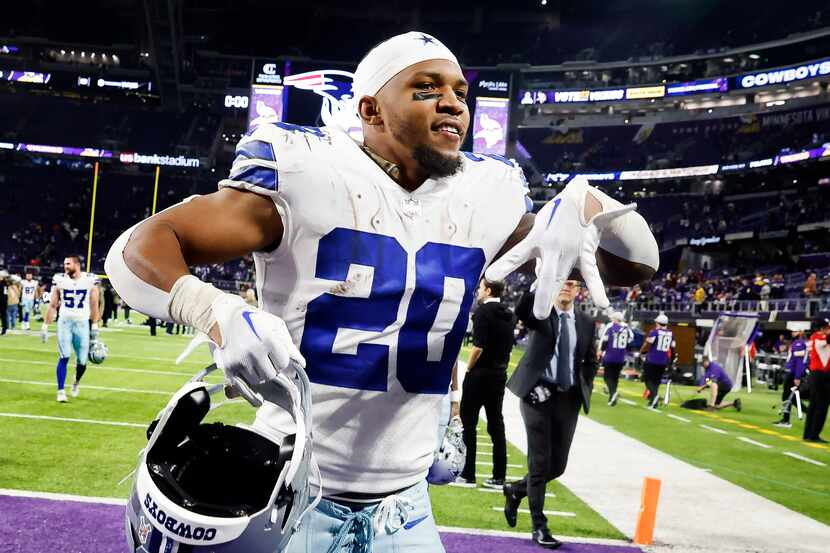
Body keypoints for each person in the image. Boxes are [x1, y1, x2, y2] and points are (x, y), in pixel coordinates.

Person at [106, 31, 657, 553]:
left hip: (407, 509)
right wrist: (214, 309)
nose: (453, 103)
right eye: (427, 89)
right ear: (370, 110)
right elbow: (140, 247)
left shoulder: (487, 196)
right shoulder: (310, 173)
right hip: (294, 497)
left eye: (460, 92)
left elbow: (635, 266)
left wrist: (596, 207)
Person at [502, 281, 597, 549]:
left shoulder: (587, 322)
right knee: (540, 463)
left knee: (558, 466)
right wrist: (540, 280)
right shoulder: (542, 313)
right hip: (537, 396)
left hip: (567, 399)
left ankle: (516, 490)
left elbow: (590, 360)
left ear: (579, 290)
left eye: (573, 284)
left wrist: (582, 388)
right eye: (563, 282)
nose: (567, 287)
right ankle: (539, 527)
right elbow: (522, 309)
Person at [457, 278, 515, 488]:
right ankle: (499, 476)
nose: (478, 291)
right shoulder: (509, 313)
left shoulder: (482, 312)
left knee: (468, 423)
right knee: (496, 425)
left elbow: (478, 347)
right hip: (499, 374)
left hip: (480, 374)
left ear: (488, 290)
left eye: (481, 288)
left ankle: (468, 473)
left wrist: (469, 368)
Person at [42, 256, 101, 402]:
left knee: (82, 361)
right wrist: (45, 325)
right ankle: (60, 391)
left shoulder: (89, 280)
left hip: (82, 323)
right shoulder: (60, 280)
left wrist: (94, 325)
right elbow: (53, 305)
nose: (65, 266)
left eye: (68, 264)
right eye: (64, 264)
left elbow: (94, 304)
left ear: (77, 264)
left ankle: (76, 381)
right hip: (64, 323)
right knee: (65, 356)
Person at [640, 313, 675, 409]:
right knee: (656, 381)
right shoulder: (671, 333)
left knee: (647, 379)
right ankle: (653, 401)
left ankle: (654, 396)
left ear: (658, 323)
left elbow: (648, 343)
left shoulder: (655, 332)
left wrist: (642, 352)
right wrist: (670, 362)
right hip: (663, 361)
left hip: (652, 359)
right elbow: (672, 349)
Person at [804, 318, 830, 443]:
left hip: (817, 375)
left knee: (814, 405)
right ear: (821, 329)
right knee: (822, 406)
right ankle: (813, 434)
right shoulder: (818, 338)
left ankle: (808, 434)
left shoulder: (815, 338)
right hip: (821, 375)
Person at [599, 311, 633, 406]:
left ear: (615, 319)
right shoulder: (626, 329)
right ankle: (612, 398)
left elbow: (605, 341)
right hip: (621, 357)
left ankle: (613, 393)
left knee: (607, 377)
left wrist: (601, 351)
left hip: (610, 356)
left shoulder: (611, 328)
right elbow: (631, 340)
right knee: (615, 377)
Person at [775, 330, 807, 428]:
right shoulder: (796, 343)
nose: (793, 333)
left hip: (793, 373)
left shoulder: (799, 343)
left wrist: (797, 376)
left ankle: (786, 420)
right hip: (791, 372)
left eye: (795, 331)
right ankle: (808, 412)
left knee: (787, 396)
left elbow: (799, 361)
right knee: (791, 397)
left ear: (801, 332)